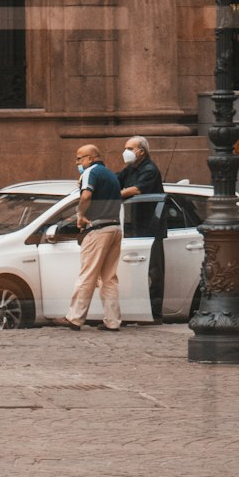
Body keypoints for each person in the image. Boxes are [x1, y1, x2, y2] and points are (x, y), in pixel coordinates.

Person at [62, 143, 123, 331]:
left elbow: (86, 196)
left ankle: (75, 317)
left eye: (79, 158)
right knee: (109, 278)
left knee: (87, 274)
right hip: (115, 228)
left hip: (97, 229)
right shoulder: (111, 175)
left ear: (90, 158)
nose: (77, 162)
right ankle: (112, 321)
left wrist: (80, 215)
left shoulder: (91, 172)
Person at [116, 135, 165, 320]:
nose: (126, 152)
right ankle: (136, 311)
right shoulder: (130, 169)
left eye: (129, 148)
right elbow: (116, 179)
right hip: (134, 226)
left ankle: (154, 313)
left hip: (151, 227)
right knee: (134, 271)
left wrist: (113, 194)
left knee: (153, 271)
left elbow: (135, 190)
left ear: (141, 151)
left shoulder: (149, 169)